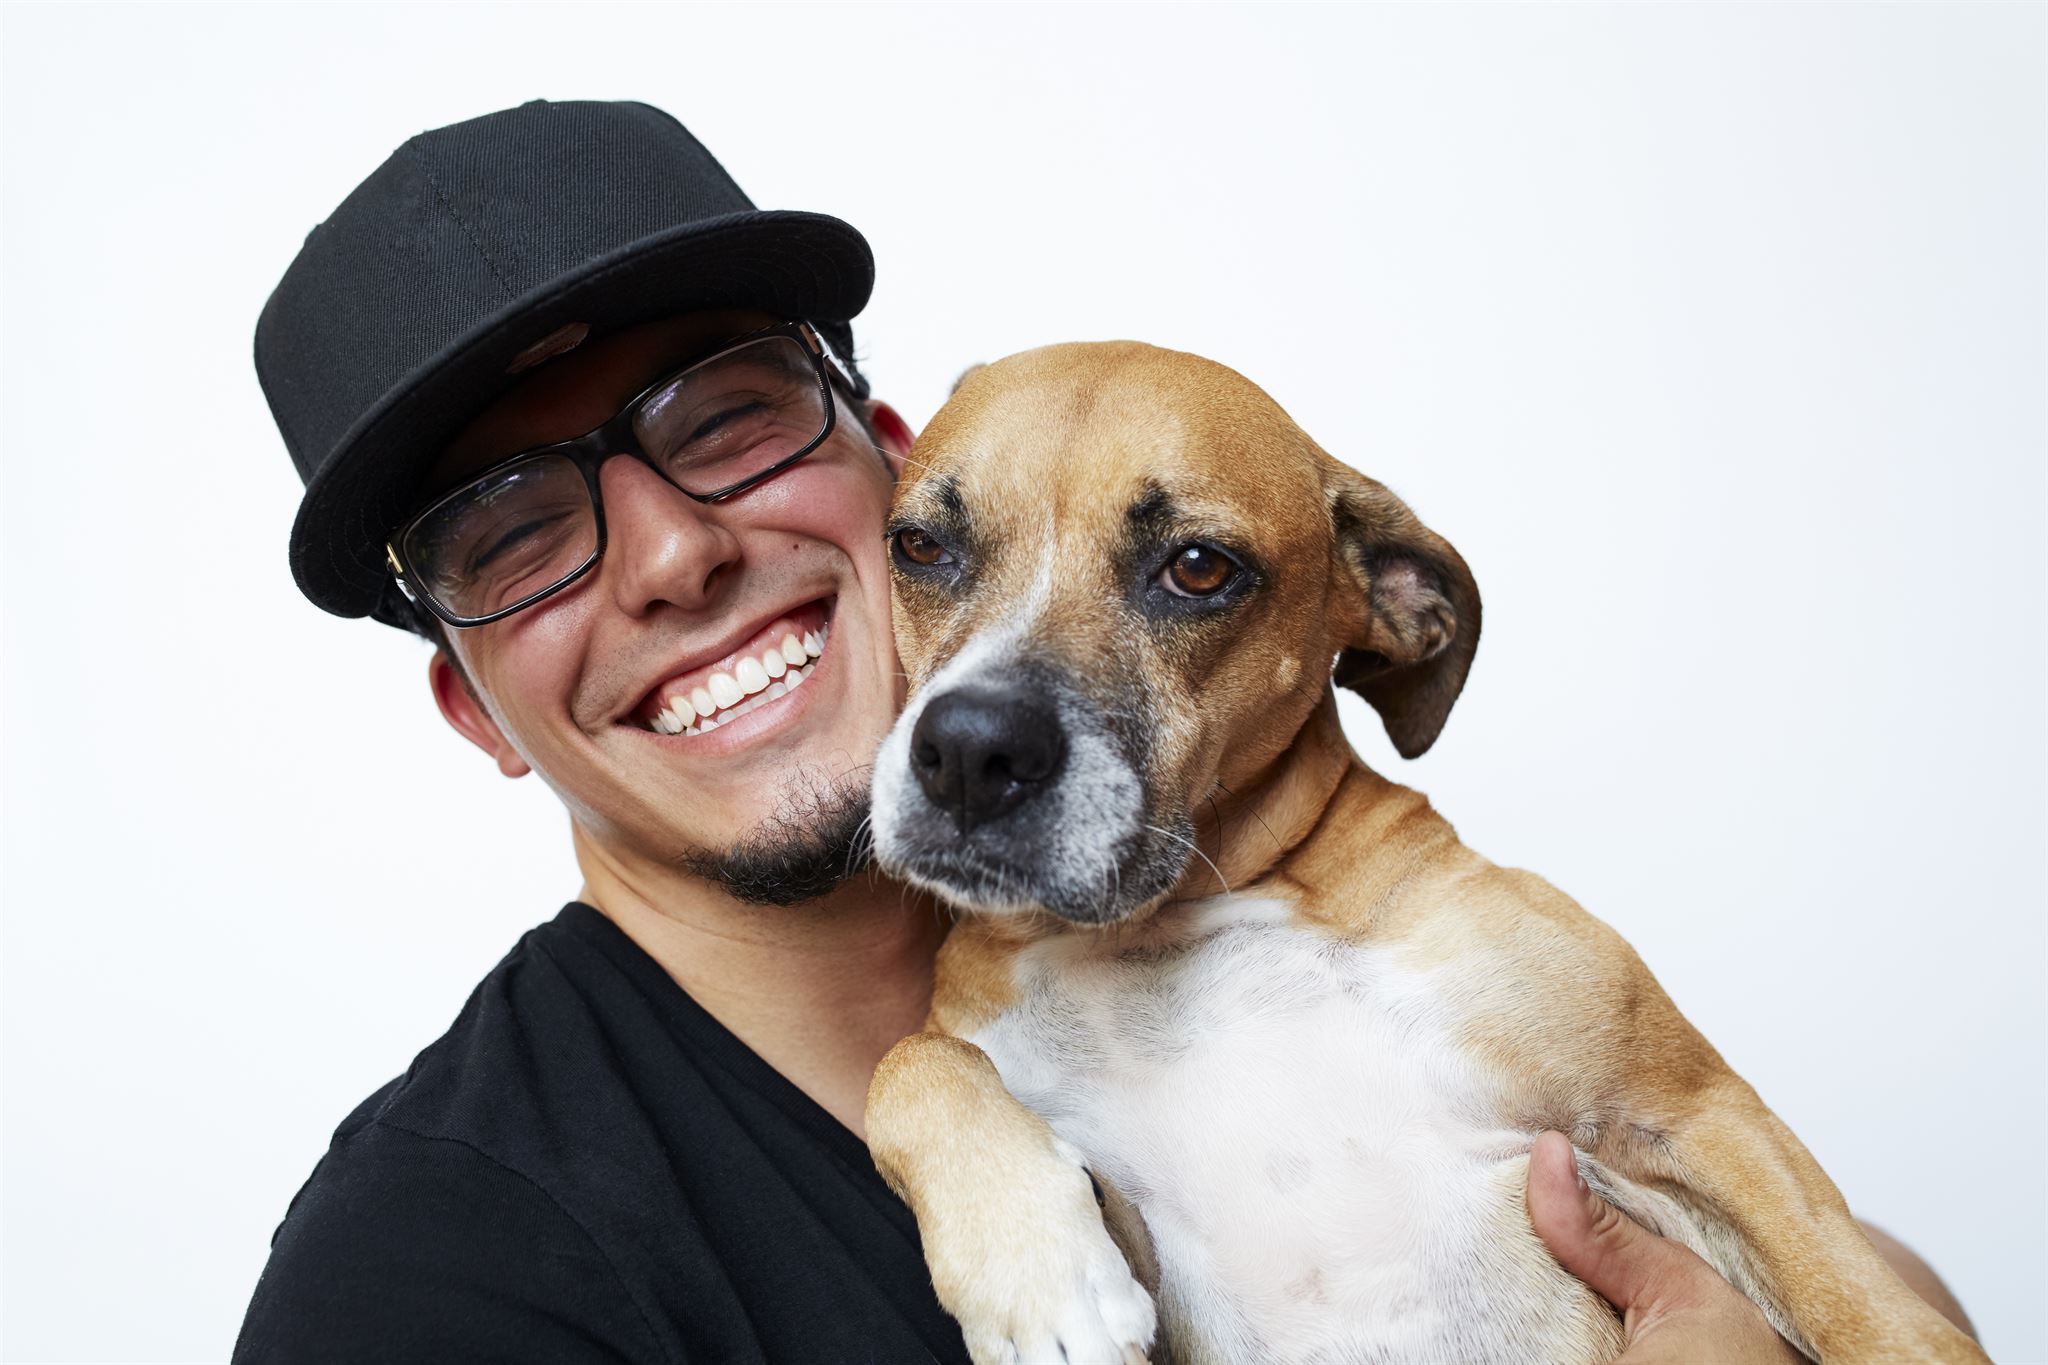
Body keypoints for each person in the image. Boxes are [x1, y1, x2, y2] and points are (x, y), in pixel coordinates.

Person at [235, 100, 1971, 1364]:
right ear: (476, 703)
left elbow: (1797, 1234)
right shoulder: (435, 1273)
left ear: (884, 466)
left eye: (730, 416)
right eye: (513, 531)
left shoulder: (1386, 928)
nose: (679, 552)